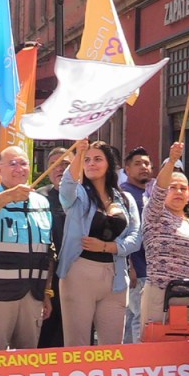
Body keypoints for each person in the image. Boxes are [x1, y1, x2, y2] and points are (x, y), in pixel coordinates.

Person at [58, 139, 140, 346]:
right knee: (77, 346)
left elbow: (136, 236)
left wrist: (109, 247)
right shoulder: (77, 196)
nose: (91, 163)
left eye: (97, 159)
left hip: (116, 276)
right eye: (87, 160)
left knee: (113, 348)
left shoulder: (126, 199)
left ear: (109, 164)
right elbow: (67, 186)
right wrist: (78, 154)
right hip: (79, 274)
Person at [0, 146, 53, 350]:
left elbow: (47, 254)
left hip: (32, 296)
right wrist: (10, 195)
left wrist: (46, 293)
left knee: (27, 365)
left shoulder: (42, 203)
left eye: (23, 163)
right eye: (12, 163)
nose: (19, 168)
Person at [141, 142, 189, 324]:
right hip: (160, 292)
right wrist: (171, 161)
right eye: (173, 187)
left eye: (183, 188)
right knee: (158, 349)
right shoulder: (155, 214)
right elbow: (158, 191)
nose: (178, 191)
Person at [37, 147, 70, 348]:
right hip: (49, 277)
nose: (61, 169)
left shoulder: (85, 196)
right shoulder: (39, 198)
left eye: (66, 164)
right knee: (46, 335)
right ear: (47, 170)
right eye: (55, 165)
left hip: (78, 276)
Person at [120, 147, 152, 343]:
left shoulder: (148, 193)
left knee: (129, 318)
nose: (143, 167)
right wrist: (130, 265)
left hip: (148, 267)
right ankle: (139, 362)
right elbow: (124, 231)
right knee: (141, 318)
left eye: (147, 164)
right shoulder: (124, 194)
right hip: (135, 269)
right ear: (127, 169)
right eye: (138, 164)